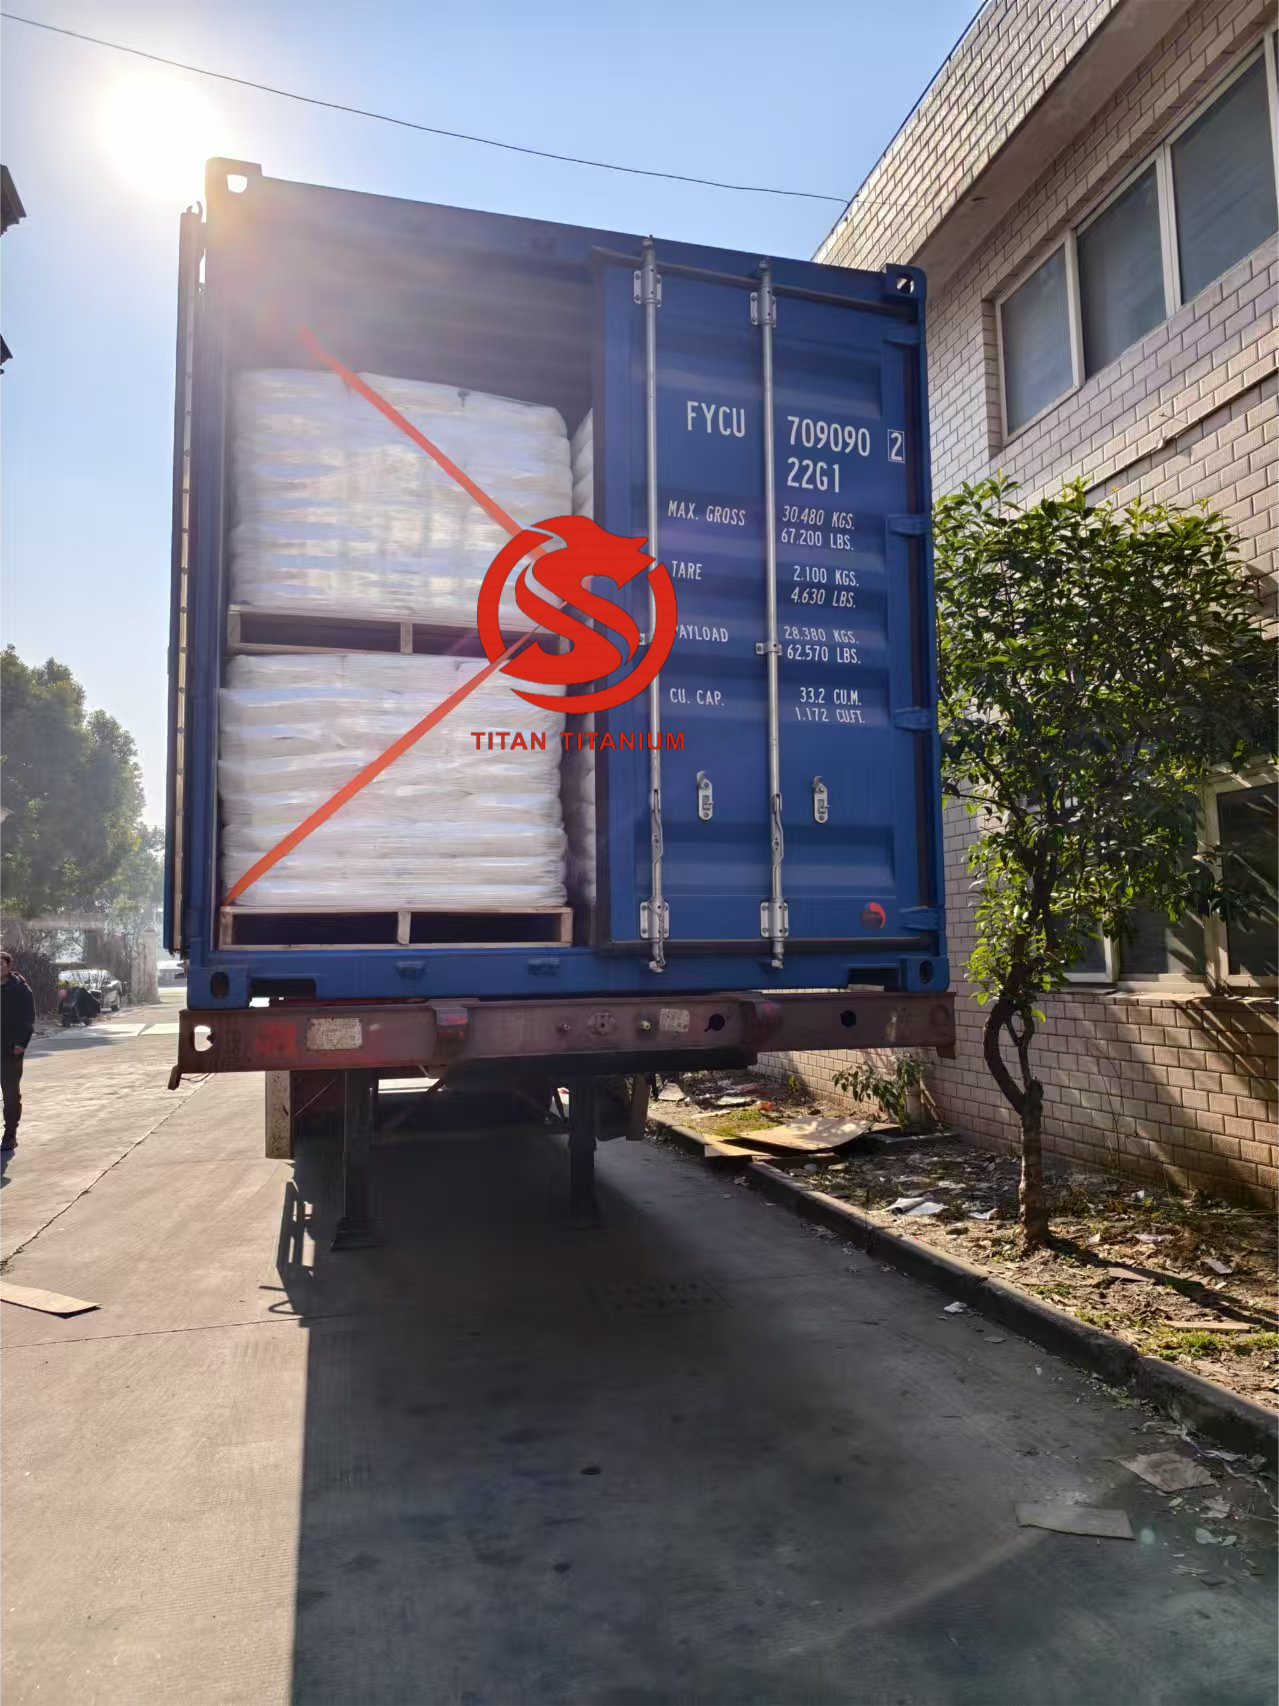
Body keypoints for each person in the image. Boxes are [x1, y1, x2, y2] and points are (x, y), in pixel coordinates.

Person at [0, 949, 35, 1150]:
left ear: (8, 966)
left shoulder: (20, 989)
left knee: (10, 1094)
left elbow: (28, 1018)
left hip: (10, 1050)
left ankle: (10, 1135)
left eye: (0, 964)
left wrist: (21, 1043)